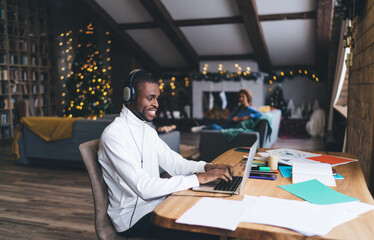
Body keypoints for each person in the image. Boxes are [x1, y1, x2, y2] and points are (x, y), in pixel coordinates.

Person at [98, 69, 232, 240]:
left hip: (159, 204)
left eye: (157, 98)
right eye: (150, 98)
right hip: (134, 219)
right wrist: (198, 179)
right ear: (129, 96)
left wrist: (205, 167)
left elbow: (175, 164)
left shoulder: (147, 130)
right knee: (209, 231)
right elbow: (144, 188)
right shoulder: (114, 135)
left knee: (219, 213)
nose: (156, 104)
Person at [192, 89, 264, 132]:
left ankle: (203, 128)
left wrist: (246, 117)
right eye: (240, 96)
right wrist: (233, 119)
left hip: (231, 129)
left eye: (243, 97)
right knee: (214, 125)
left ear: (248, 98)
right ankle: (203, 128)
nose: (240, 98)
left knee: (213, 126)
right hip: (227, 125)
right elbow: (230, 118)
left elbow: (262, 114)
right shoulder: (238, 107)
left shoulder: (250, 109)